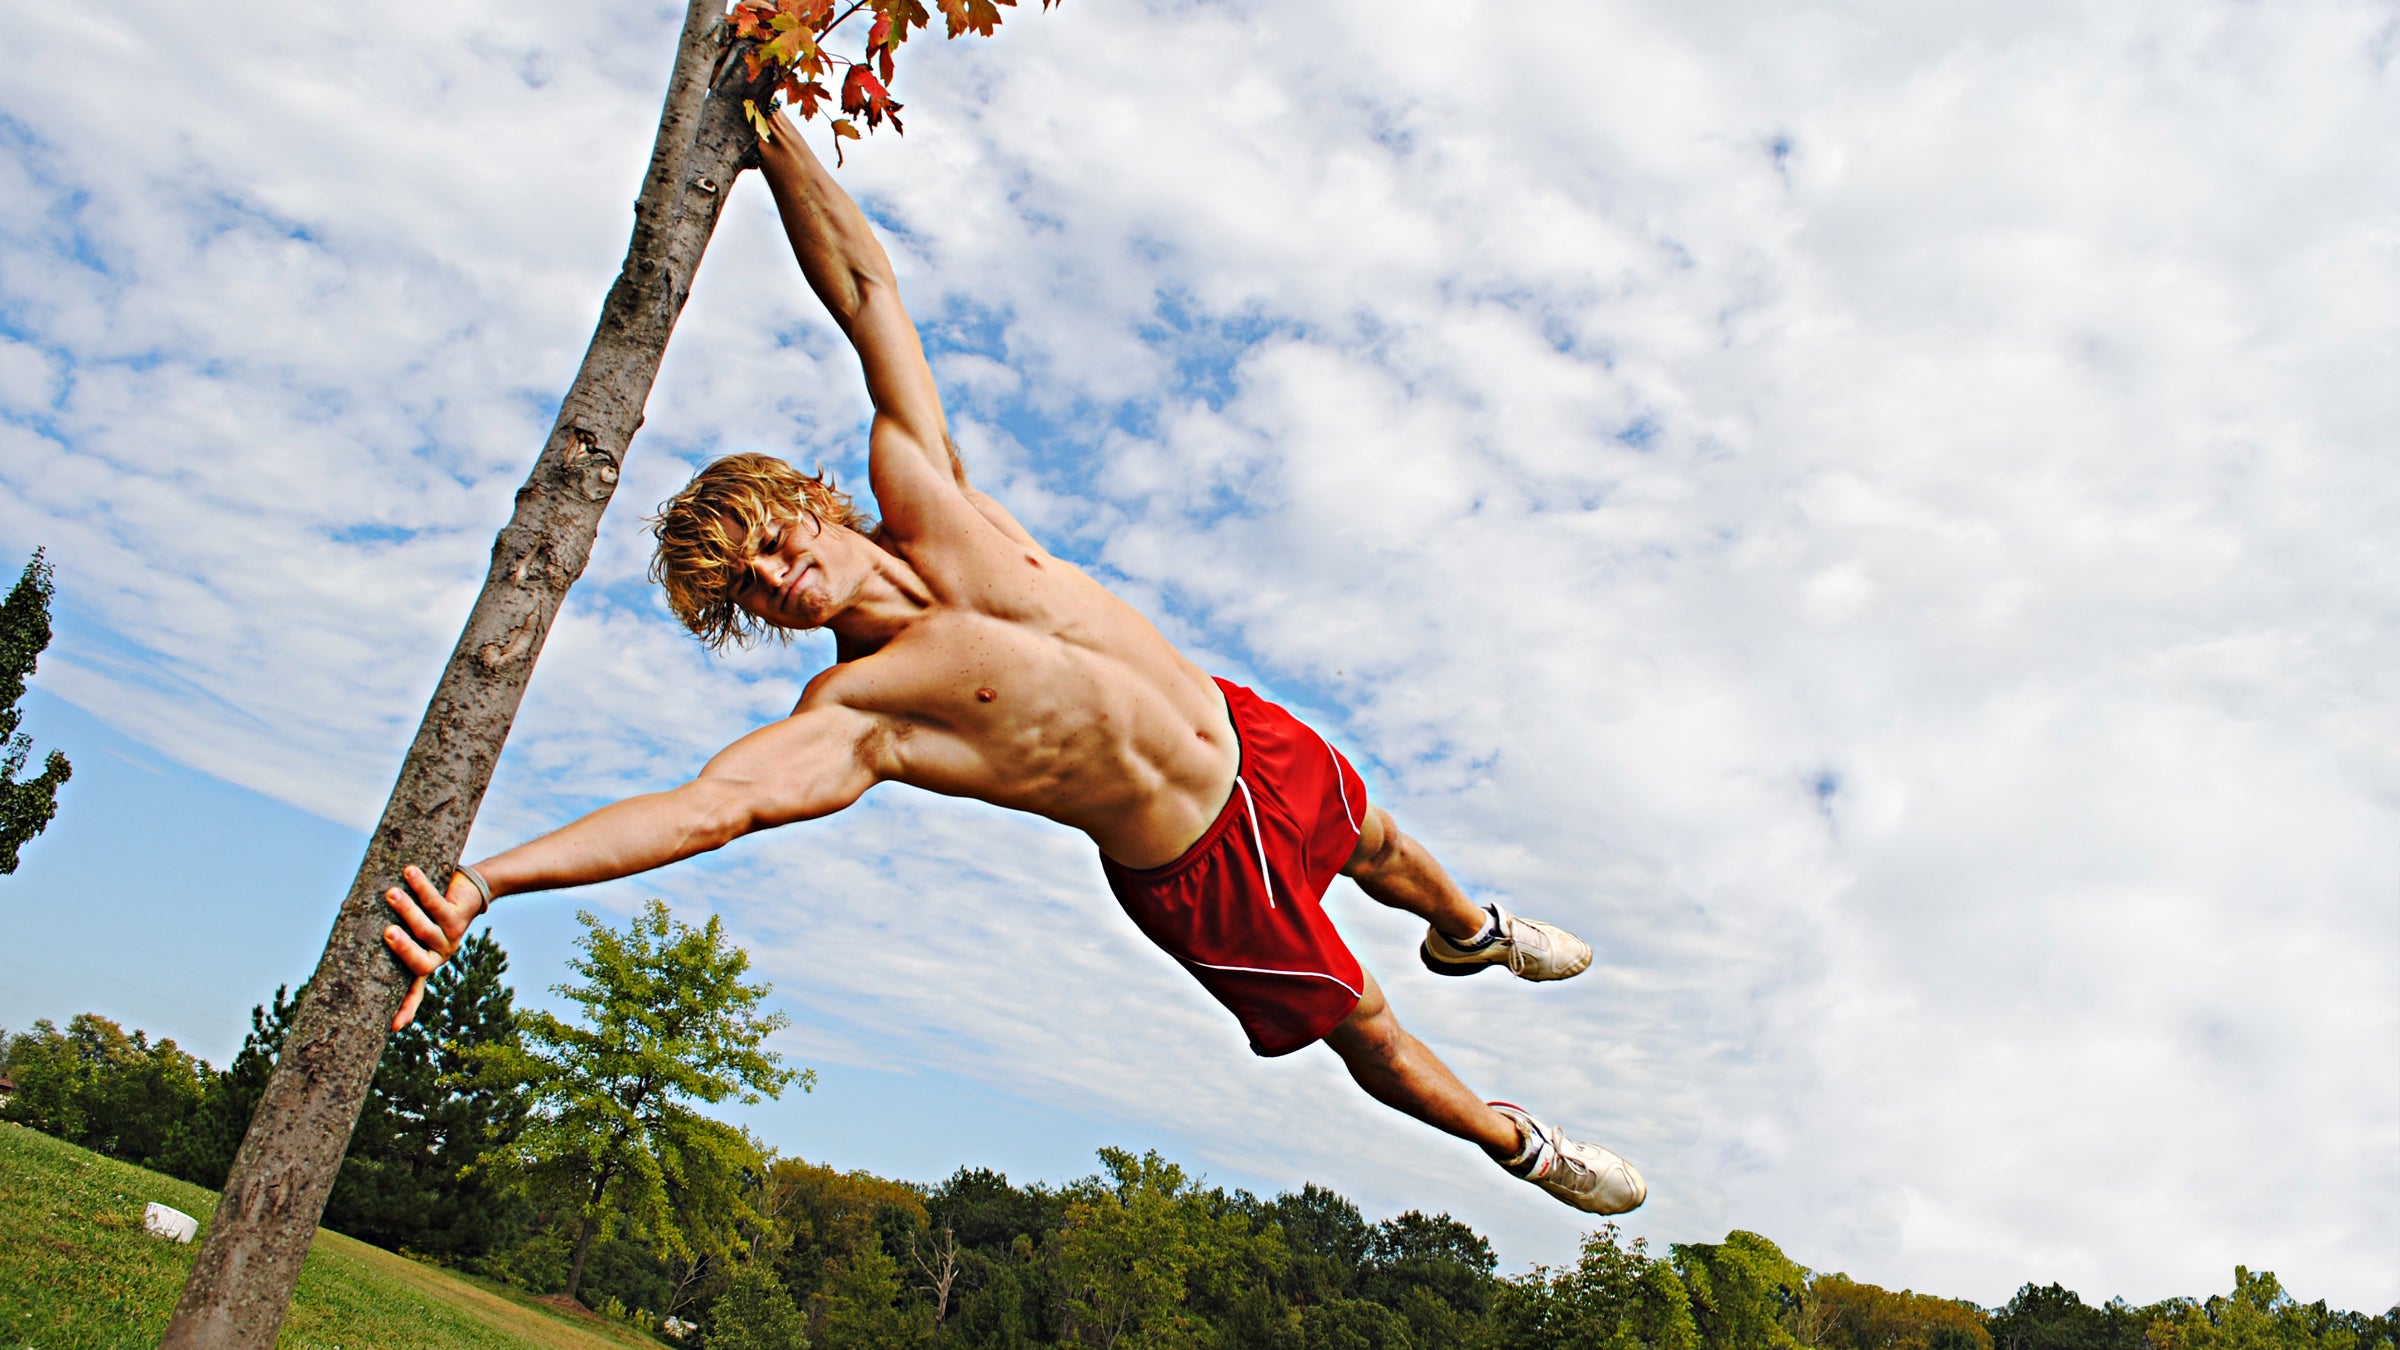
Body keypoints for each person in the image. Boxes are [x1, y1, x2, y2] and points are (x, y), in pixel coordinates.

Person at [381, 108, 1645, 1216]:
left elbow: (868, 295)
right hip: (1196, 862)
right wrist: (487, 884)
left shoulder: (927, 491)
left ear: (809, 503)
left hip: (1246, 734)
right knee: (1361, 1018)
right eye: (748, 588)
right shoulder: (862, 707)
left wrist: (772, 141)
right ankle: (1518, 1145)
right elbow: (716, 808)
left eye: (767, 542)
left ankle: (1474, 930)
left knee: (1378, 844)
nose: (773, 576)